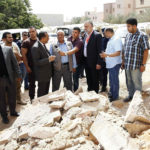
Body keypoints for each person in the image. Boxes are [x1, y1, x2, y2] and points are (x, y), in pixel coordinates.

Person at [122, 18, 149, 102]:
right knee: (129, 81)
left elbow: (146, 51)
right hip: (127, 64)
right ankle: (131, 96)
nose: (127, 28)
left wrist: (143, 64)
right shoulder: (128, 35)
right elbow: (124, 49)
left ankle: (137, 100)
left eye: (129, 26)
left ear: (134, 26)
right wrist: (123, 62)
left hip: (136, 65)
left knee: (136, 82)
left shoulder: (142, 36)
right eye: (127, 26)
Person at [2, 32, 26, 105]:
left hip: (15, 70)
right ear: (4, 39)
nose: (11, 38)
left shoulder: (14, 45)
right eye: (9, 37)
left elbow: (20, 58)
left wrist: (17, 55)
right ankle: (7, 104)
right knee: (6, 89)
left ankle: (19, 100)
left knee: (18, 87)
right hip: (6, 72)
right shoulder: (2, 48)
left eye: (11, 37)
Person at [0, 45, 21, 124]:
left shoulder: (8, 49)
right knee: (1, 99)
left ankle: (13, 111)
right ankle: (4, 116)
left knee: (12, 95)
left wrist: (19, 75)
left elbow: (15, 63)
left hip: (10, 77)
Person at [100, 28, 122, 101]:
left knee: (114, 81)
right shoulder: (111, 39)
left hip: (114, 64)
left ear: (109, 32)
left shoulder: (116, 39)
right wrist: (105, 55)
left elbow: (118, 52)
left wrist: (106, 55)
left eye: (105, 33)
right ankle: (112, 94)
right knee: (112, 80)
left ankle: (115, 97)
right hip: (110, 64)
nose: (104, 35)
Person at [32, 32, 55, 97]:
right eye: (47, 37)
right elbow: (37, 62)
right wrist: (48, 59)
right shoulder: (35, 47)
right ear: (43, 38)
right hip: (42, 75)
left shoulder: (43, 45)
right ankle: (40, 105)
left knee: (45, 92)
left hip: (47, 74)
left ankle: (44, 105)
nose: (49, 39)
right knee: (41, 93)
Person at [83, 21, 104, 93]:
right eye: (84, 26)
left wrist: (99, 62)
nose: (85, 28)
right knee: (88, 78)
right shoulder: (85, 36)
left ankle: (95, 93)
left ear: (92, 26)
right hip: (86, 61)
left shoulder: (97, 35)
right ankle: (90, 92)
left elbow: (100, 50)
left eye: (86, 26)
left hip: (94, 62)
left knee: (95, 78)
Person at [22, 27, 38, 102]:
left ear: (36, 31)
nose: (31, 33)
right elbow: (23, 55)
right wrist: (27, 66)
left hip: (40, 66)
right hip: (31, 66)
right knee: (32, 84)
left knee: (41, 82)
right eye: (30, 32)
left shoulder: (39, 40)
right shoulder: (26, 42)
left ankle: (40, 98)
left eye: (33, 31)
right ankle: (32, 98)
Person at [67, 27, 84, 91]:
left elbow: (75, 50)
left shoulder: (80, 41)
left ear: (79, 33)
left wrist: (65, 53)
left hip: (77, 63)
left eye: (75, 32)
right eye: (73, 32)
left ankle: (75, 91)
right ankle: (69, 91)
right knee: (68, 78)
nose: (74, 33)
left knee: (75, 78)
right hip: (70, 62)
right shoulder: (69, 39)